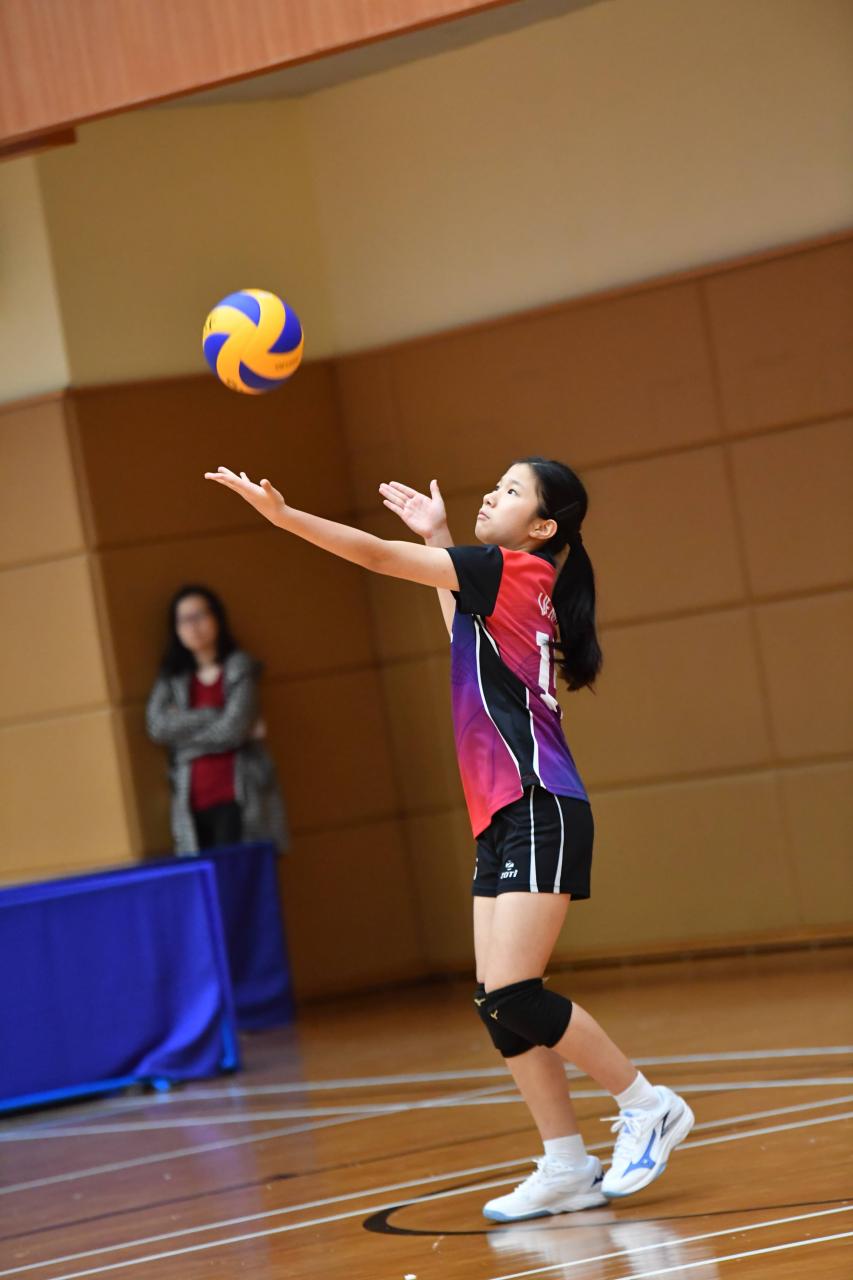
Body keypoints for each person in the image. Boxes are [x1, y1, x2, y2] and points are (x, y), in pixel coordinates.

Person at [204, 458, 694, 1219]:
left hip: (537, 802)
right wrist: (436, 539)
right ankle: (565, 1164)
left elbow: (376, 556)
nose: (492, 494)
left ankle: (647, 1104)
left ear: (542, 526)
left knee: (515, 993)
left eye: (512, 491)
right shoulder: (505, 581)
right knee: (496, 1002)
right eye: (496, 483)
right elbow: (464, 638)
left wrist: (285, 518)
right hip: (501, 813)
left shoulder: (508, 567)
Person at [146, 584, 288, 856]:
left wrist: (184, 740)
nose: (194, 626)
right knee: (204, 878)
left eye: (200, 615)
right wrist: (212, 714)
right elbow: (157, 726)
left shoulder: (239, 667)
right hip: (191, 801)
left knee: (239, 874)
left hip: (238, 796)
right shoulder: (173, 677)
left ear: (216, 618)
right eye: (185, 620)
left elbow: (233, 730)